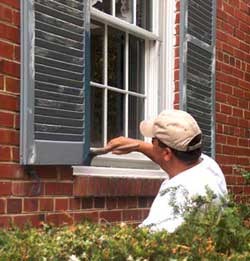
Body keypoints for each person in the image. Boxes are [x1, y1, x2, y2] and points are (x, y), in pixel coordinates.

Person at [105, 110, 228, 233]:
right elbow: (163, 155)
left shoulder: (176, 200)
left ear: (167, 153)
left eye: (153, 141)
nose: (151, 144)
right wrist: (138, 145)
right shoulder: (208, 166)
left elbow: (143, 243)